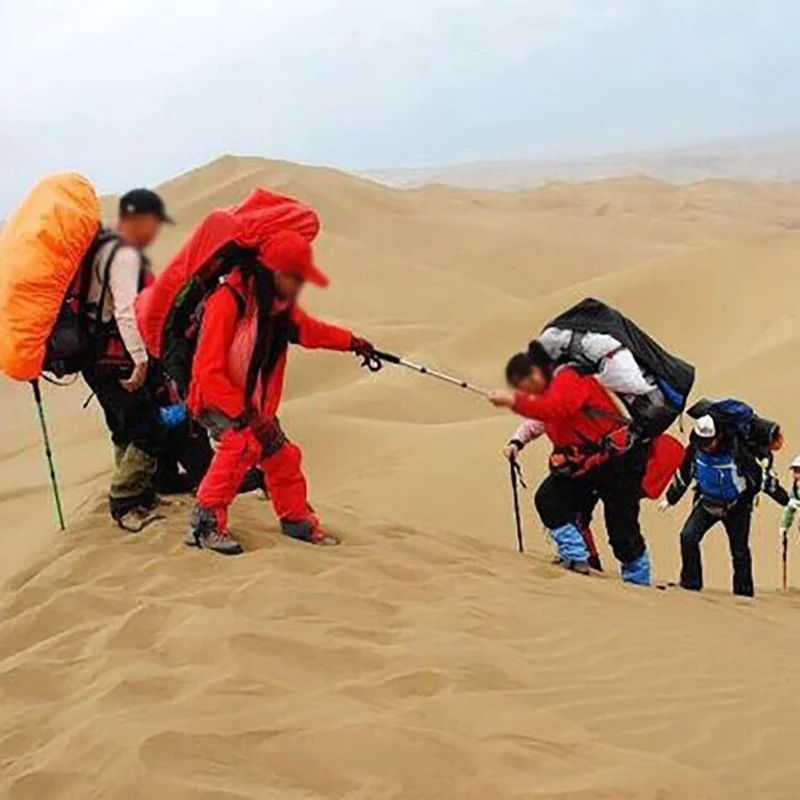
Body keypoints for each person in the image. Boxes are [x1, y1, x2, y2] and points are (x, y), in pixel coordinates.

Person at [186, 229, 374, 555]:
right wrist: (244, 415)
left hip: (252, 404)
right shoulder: (226, 303)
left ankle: (297, 522)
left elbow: (311, 331)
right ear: (272, 272)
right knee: (241, 444)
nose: (300, 285)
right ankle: (205, 524)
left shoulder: (277, 307)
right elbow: (206, 372)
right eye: (295, 277)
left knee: (282, 456)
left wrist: (353, 343)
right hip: (217, 398)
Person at [490, 348, 652, 585]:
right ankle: (576, 559)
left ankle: (639, 582)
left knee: (621, 529)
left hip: (619, 462)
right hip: (582, 464)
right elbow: (539, 420)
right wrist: (517, 441)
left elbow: (559, 408)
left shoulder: (573, 378)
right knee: (549, 500)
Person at [81, 189, 173, 531]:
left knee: (122, 427)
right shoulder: (122, 255)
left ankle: (141, 492)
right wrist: (140, 359)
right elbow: (124, 310)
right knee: (148, 429)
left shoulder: (95, 250)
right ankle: (125, 502)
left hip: (92, 355)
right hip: (115, 355)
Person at [661, 414, 789, 597]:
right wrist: (670, 498)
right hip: (707, 503)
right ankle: (691, 585)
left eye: (708, 441)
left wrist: (784, 499)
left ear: (718, 437)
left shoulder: (737, 451)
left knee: (740, 551)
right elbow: (684, 473)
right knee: (688, 537)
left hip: (736, 507)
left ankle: (744, 596)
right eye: (702, 441)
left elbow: (761, 479)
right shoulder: (695, 449)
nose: (705, 445)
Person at [503, 417, 603, 572]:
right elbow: (538, 420)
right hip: (572, 469)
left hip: (595, 468)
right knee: (571, 514)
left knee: (552, 504)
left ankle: (577, 559)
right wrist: (517, 442)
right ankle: (583, 559)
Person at [779, 456, 800, 541]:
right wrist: (784, 526)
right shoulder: (795, 489)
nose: (796, 475)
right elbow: (789, 508)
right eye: (795, 471)